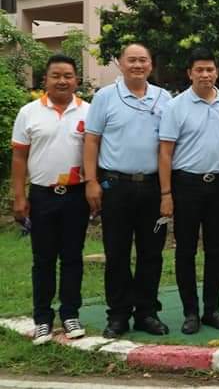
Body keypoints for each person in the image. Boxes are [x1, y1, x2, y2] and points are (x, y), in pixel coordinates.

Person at [84, 43, 173, 338]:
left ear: (151, 65)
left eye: (143, 60)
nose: (137, 65)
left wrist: (167, 192)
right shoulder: (105, 97)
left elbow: (168, 146)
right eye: (131, 60)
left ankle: (147, 312)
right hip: (115, 187)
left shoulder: (164, 98)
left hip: (152, 188)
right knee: (117, 252)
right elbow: (92, 140)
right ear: (120, 64)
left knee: (152, 253)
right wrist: (91, 181)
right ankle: (118, 315)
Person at [12, 55, 91, 345]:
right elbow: (19, 158)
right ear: (45, 80)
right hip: (42, 196)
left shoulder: (89, 112)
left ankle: (70, 314)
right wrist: (19, 196)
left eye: (68, 76)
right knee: (43, 259)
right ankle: (43, 320)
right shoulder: (29, 112)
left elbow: (94, 154)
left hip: (76, 196)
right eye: (56, 76)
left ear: (76, 80)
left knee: (72, 257)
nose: (62, 81)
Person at [158, 48, 219, 335]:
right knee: (186, 250)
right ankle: (190, 312)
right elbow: (165, 153)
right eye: (199, 70)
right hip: (186, 185)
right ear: (189, 73)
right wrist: (166, 194)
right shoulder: (175, 106)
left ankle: (212, 310)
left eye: (210, 69)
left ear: (217, 72)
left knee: (216, 250)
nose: (205, 75)